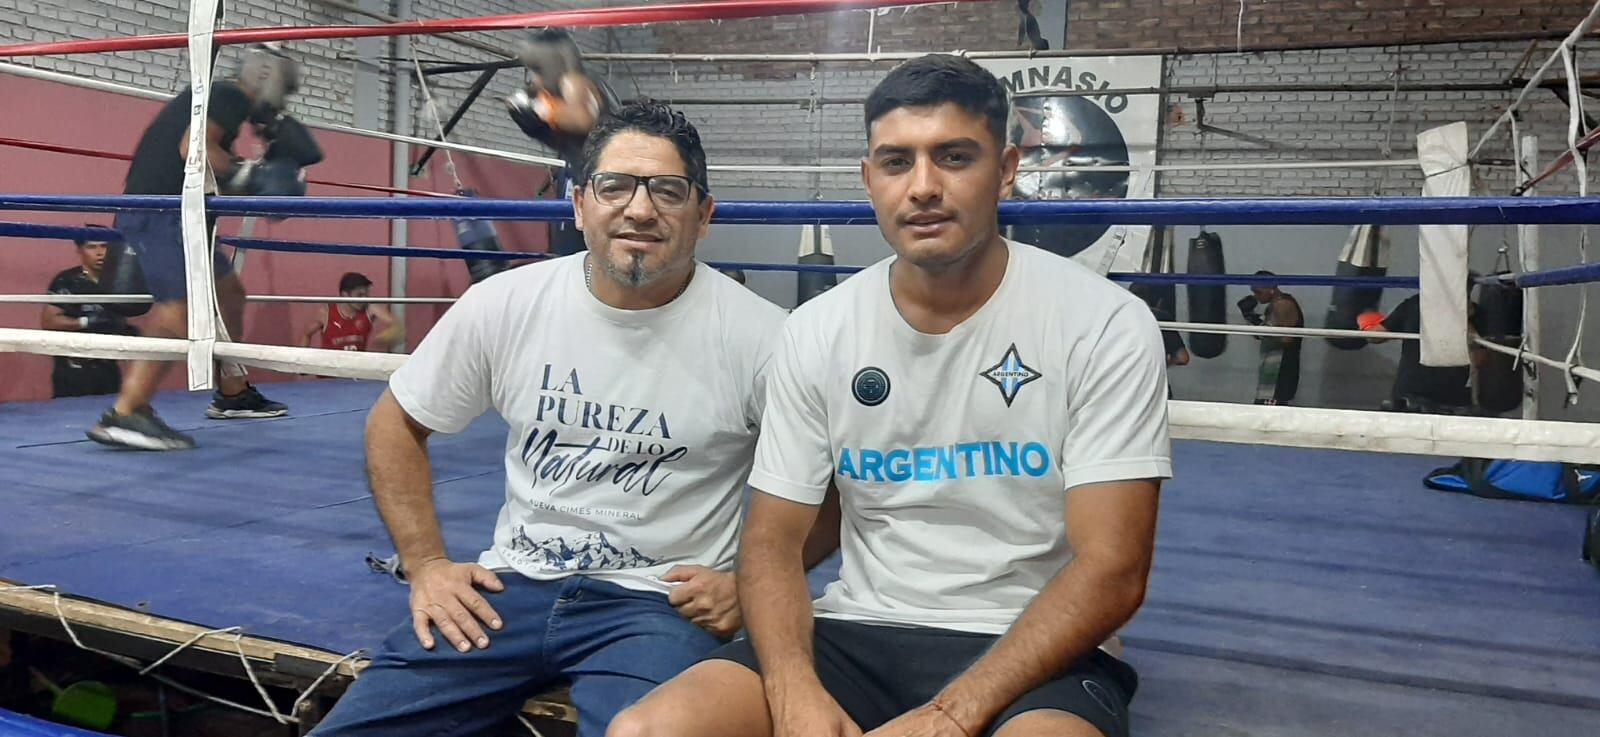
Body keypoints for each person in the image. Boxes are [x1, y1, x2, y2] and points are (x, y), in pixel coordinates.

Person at [613, 54, 1170, 737]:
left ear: (1007, 169)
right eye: (897, 161)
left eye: (955, 157)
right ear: (869, 179)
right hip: (859, 632)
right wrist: (792, 696)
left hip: (1035, 645)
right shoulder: (820, 330)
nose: (924, 186)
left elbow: (1113, 569)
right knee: (647, 729)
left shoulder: (1103, 323)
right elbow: (771, 543)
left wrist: (949, 715)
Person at [309, 103, 833, 737]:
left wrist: (746, 584)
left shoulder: (764, 339)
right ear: (580, 204)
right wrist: (426, 565)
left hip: (659, 603)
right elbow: (396, 423)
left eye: (668, 190)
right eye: (615, 186)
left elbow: (832, 479)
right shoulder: (505, 304)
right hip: (508, 588)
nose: (640, 210)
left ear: (705, 215)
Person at [87, 44, 319, 450]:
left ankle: (232, 392)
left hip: (185, 218)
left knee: (230, 294)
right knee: (179, 312)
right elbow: (193, 151)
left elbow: (207, 167)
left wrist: (253, 177)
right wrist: (255, 175)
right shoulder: (229, 95)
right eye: (286, 87)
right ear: (266, 76)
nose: (285, 99)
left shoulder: (220, 104)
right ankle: (126, 413)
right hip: (161, 212)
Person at [508, 28, 619, 258]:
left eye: (537, 69)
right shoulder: (563, 91)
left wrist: (540, 110)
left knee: (585, 251)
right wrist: (535, 125)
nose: (535, 78)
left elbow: (583, 119)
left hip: (599, 181)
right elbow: (573, 140)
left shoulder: (575, 81)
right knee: (570, 252)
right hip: (579, 176)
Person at [1361, 278, 1482, 414]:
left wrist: (1364, 321)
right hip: (1433, 394)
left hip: (1425, 393)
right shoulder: (1416, 304)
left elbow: (1375, 336)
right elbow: (1377, 336)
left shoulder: (1416, 303)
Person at [40, 232, 136, 398]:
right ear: (80, 250)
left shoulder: (118, 281)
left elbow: (117, 320)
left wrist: (124, 330)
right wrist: (86, 322)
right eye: (91, 247)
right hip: (74, 370)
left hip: (109, 368)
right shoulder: (67, 281)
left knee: (112, 418)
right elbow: (48, 321)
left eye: (104, 246)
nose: (99, 252)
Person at [1236, 271, 1302, 406]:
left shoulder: (1283, 304)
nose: (1256, 296)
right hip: (1271, 369)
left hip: (1281, 369)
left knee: (1268, 415)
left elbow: (1286, 339)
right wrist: (1250, 316)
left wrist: (1261, 327)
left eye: (1258, 292)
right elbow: (1262, 335)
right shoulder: (1273, 306)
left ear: (1271, 289)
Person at [300, 272, 402, 351]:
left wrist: (387, 336)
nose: (364, 299)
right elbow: (306, 334)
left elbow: (396, 325)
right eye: (359, 295)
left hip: (354, 373)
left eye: (366, 295)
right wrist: (301, 361)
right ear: (345, 295)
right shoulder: (326, 313)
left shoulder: (369, 309)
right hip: (329, 375)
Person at [1129, 283, 1189, 369]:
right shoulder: (1161, 317)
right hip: (1152, 374)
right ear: (1159, 302)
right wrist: (1165, 362)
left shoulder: (1121, 318)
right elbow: (1183, 358)